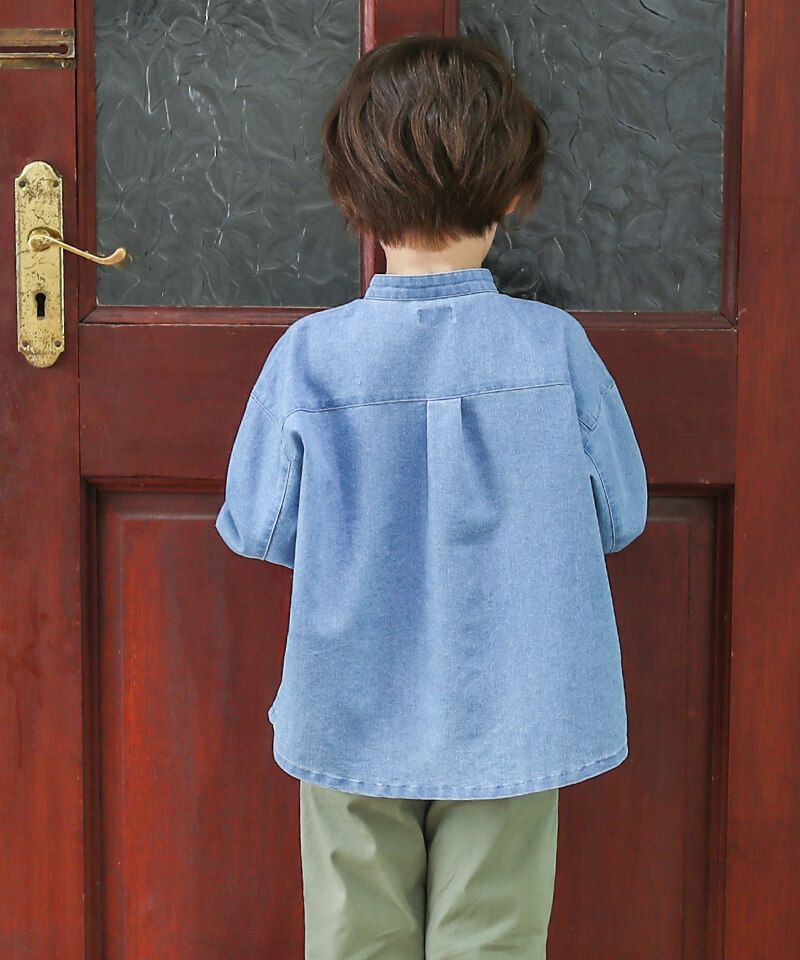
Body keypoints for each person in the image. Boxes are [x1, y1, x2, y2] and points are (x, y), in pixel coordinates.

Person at [215, 32, 648, 960]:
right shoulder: (555, 349)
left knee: (354, 937)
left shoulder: (310, 357)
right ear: (513, 192)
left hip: (348, 702)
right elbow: (621, 514)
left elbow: (257, 525)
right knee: (492, 939)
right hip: (516, 706)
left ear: (352, 195)